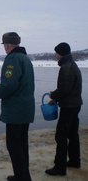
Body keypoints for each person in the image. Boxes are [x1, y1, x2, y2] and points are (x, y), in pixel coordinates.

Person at [0, 32, 35, 181]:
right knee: (22, 145)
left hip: (16, 111)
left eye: (4, 44)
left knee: (14, 146)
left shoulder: (12, 59)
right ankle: (23, 176)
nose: (4, 47)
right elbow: (20, 83)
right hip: (25, 109)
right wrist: (2, 86)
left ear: (8, 45)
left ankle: (22, 178)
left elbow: (10, 84)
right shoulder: (25, 58)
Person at [45, 42, 83, 176]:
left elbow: (65, 89)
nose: (55, 55)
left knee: (60, 136)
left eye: (56, 53)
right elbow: (68, 87)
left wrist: (53, 95)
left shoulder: (66, 67)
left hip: (68, 106)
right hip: (75, 104)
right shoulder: (72, 64)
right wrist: (56, 93)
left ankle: (60, 168)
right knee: (72, 134)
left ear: (60, 53)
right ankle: (74, 160)